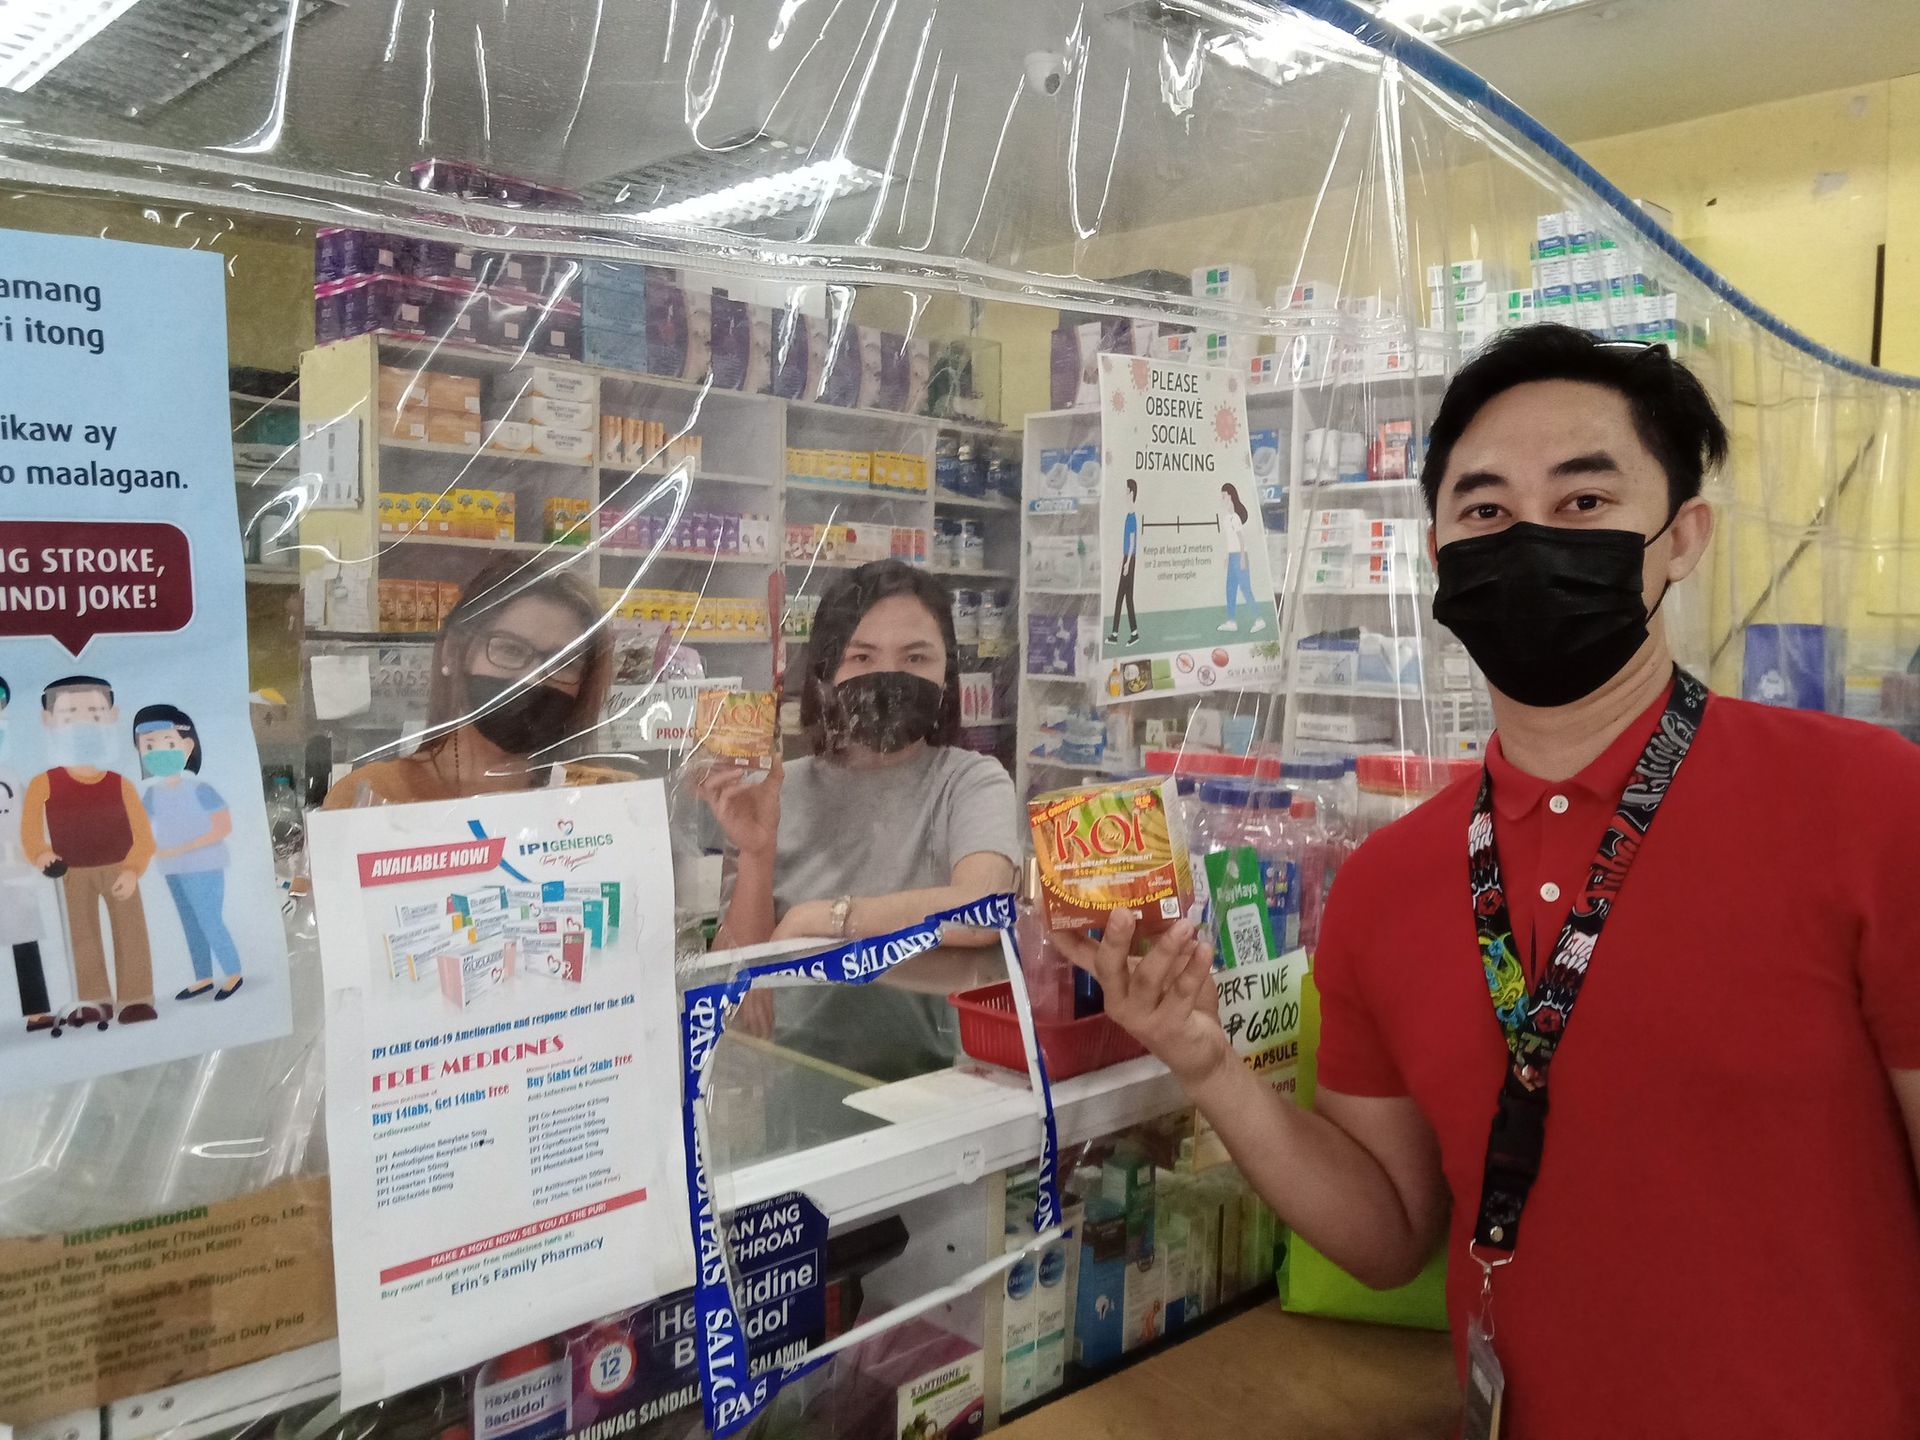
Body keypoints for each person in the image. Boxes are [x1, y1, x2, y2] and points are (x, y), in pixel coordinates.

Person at [1064, 324, 1920, 1436]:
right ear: (1438, 553)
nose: (1527, 540)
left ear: (1682, 538)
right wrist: (1205, 1060)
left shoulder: (1865, 803)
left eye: (1582, 504)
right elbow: (1388, 1232)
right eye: (1484, 511)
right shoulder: (1387, 882)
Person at [700, 560, 1019, 1081]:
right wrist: (757, 854)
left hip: (938, 1084)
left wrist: (820, 920)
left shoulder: (968, 780)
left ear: (947, 672)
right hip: (792, 1078)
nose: (889, 676)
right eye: (862, 656)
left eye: (916, 657)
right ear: (826, 675)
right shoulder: (779, 788)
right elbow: (740, 995)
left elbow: (981, 909)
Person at [323, 555, 621, 809]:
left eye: (563, 662)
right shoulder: (369, 797)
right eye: (509, 649)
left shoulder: (597, 799)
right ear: (454, 652)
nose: (533, 677)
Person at [21, 675, 158, 1027]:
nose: (83, 724)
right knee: (81, 935)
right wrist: (41, 855)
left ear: (113, 716)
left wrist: (132, 869)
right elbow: (31, 831)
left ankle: (136, 997)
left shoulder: (120, 784)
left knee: (131, 932)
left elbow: (143, 835)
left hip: (119, 868)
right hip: (69, 871)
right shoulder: (44, 783)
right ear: (48, 721)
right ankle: (94, 999)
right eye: (70, 716)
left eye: (94, 714)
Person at [133, 704, 246, 1002]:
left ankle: (233, 972)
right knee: (190, 922)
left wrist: (184, 847)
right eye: (149, 746)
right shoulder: (151, 795)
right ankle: (203, 977)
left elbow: (222, 827)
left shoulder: (201, 790)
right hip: (171, 868)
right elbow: (142, 828)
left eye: (168, 743)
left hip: (204, 866)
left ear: (186, 746)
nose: (158, 752)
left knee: (209, 919)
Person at [0, 675, 57, 1034]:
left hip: (13, 870)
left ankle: (37, 1010)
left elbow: (29, 821)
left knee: (24, 941)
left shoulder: (11, 773)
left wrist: (43, 855)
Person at [1216, 481, 1262, 633]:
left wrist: (1242, 558)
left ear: (1230, 497)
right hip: (1232, 556)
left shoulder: (1235, 518)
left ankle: (1258, 619)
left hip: (1240, 556)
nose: (1222, 499)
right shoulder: (1226, 519)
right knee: (1230, 589)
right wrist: (1228, 557)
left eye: (1224, 496)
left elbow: (1241, 539)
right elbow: (1231, 540)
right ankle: (1231, 621)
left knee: (1245, 588)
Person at [1107, 478, 1140, 645]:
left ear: (1131, 493)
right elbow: (1127, 543)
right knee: (1126, 598)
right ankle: (1132, 632)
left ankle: (1116, 634)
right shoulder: (1128, 515)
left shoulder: (1133, 517)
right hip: (1127, 558)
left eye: (1126, 491)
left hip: (1131, 559)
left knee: (1123, 597)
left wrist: (1127, 563)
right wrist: (1123, 560)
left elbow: (1133, 543)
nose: (1124, 495)